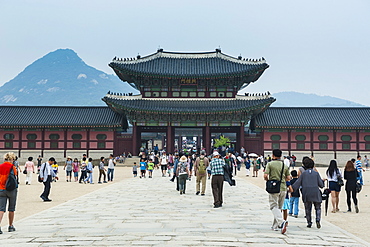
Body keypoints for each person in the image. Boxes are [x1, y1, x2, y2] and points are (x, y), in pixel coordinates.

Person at [292, 157, 324, 229]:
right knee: (318, 208)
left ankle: (309, 222)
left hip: (306, 192)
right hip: (315, 192)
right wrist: (323, 182)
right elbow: (321, 185)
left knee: (308, 208)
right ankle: (318, 220)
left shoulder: (303, 174)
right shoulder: (316, 174)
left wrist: (292, 189)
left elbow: (297, 183)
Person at [264, 149, 290, 234]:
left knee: (273, 206)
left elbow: (265, 175)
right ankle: (275, 226)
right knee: (279, 207)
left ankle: (281, 222)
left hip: (274, 187)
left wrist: (268, 180)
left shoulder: (270, 164)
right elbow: (288, 178)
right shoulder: (284, 165)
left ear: (273, 155)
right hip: (283, 187)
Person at [0, 152, 18, 233]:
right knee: (11, 208)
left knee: (1, 209)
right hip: (11, 189)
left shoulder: (0, 166)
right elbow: (15, 176)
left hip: (1, 189)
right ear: (12, 159)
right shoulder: (12, 167)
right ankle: (10, 226)